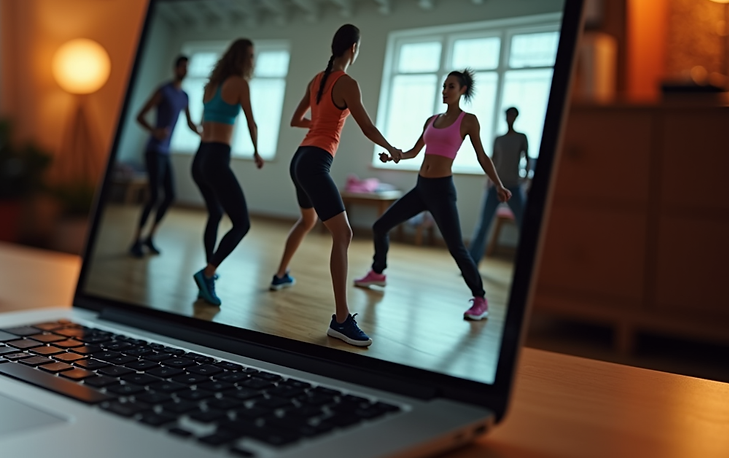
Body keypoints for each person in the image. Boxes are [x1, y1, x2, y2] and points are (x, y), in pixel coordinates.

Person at [270, 24, 402, 348]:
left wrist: (317, 124)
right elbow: (367, 125)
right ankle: (341, 320)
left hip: (299, 159)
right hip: (314, 163)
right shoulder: (347, 84)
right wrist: (392, 148)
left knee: (307, 220)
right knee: (343, 234)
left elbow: (295, 120)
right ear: (353, 49)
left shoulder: (318, 79)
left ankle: (280, 274)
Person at [354, 69, 511, 321]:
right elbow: (415, 152)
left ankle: (480, 298)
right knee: (380, 226)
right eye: (444, 86)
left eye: (451, 86)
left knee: (457, 248)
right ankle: (378, 272)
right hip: (421, 189)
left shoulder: (468, 120)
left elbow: (482, 157)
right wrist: (394, 155)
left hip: (441, 191)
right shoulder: (431, 120)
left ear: (462, 90)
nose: (445, 90)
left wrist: (499, 185)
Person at [191, 38, 264, 307]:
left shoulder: (211, 86)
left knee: (215, 213)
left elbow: (204, 122)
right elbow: (251, 121)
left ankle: (209, 271)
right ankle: (208, 273)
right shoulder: (240, 84)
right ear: (242, 58)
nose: (253, 61)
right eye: (251, 56)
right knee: (242, 223)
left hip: (200, 159)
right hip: (216, 158)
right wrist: (257, 151)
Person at [130, 55, 200, 257]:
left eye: (187, 68)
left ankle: (150, 237)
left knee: (170, 196)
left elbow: (190, 122)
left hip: (165, 152)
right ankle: (136, 241)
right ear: (175, 68)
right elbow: (140, 116)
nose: (185, 71)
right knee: (154, 196)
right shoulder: (164, 90)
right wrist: (154, 131)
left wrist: (204, 134)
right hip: (153, 149)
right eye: (182, 67)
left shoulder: (185, 96)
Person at [468, 106, 530, 265]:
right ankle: (472, 263)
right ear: (505, 117)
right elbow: (492, 160)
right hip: (496, 186)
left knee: (524, 224)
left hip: (514, 187)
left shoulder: (521, 137)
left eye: (513, 116)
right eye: (508, 115)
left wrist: (525, 179)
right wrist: (489, 179)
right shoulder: (499, 139)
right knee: (483, 224)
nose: (510, 118)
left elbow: (527, 159)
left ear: (516, 117)